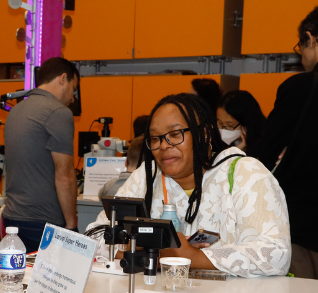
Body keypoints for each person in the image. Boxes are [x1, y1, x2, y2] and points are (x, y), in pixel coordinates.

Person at [88, 93, 291, 278]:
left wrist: (190, 257)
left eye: (175, 134)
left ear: (204, 134)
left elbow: (276, 253)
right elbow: (94, 236)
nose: (165, 145)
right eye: (156, 138)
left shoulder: (245, 174)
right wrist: (146, 250)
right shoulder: (147, 175)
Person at [259, 6, 318, 278]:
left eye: (301, 47)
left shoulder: (300, 88)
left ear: (311, 38)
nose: (302, 55)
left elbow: (262, 154)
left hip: (302, 223)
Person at [3, 57, 80, 253]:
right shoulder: (58, 112)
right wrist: (72, 226)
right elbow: (65, 175)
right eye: (73, 88)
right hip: (44, 222)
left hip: (13, 217)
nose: (73, 98)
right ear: (63, 78)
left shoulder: (15, 111)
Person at [216, 90, 266, 157]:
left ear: (246, 123)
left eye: (230, 125)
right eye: (220, 124)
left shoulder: (264, 143)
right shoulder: (215, 142)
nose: (224, 130)